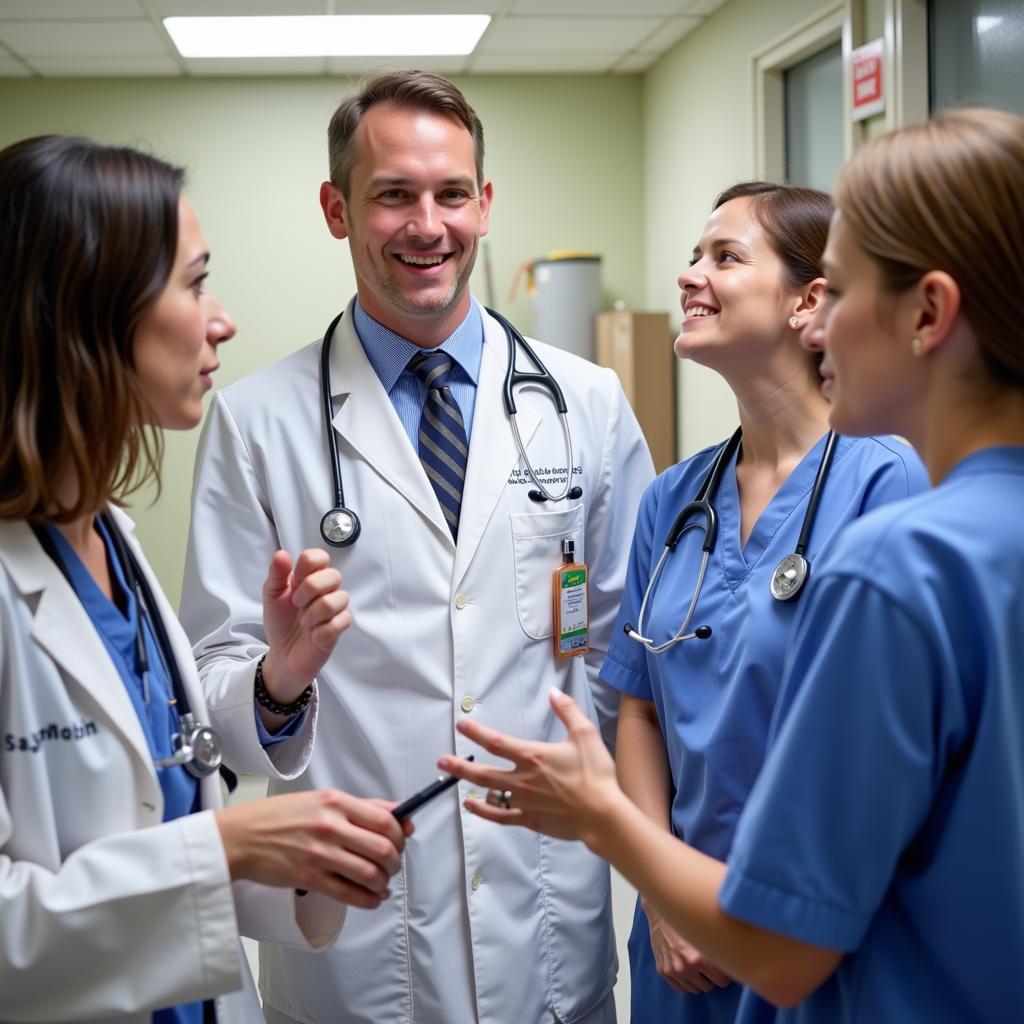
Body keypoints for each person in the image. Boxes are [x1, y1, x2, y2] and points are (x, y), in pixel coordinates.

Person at [439, 106, 1024, 1022]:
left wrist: (606, 821)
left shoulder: (900, 553)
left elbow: (788, 948)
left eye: (845, 284)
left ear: (927, 312)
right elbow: (639, 695)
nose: (830, 323)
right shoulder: (683, 499)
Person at [180, 70, 654, 1024]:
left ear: (484, 204)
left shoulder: (587, 403)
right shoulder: (256, 424)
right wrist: (278, 680)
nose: (426, 225)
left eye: (450, 195)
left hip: (547, 917)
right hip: (358, 942)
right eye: (393, 194)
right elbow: (214, 686)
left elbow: (630, 657)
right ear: (337, 209)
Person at [0, 135, 409, 1024]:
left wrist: (278, 688)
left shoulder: (108, 539)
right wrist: (230, 843)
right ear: (85, 312)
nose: (220, 320)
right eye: (192, 285)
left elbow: (158, 806)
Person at [596, 181, 927, 1023]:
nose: (689, 275)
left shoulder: (886, 481)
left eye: (725, 257)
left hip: (821, 931)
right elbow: (637, 709)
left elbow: (895, 740)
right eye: (693, 256)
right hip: (682, 949)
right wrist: (661, 892)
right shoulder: (673, 501)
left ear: (806, 302)